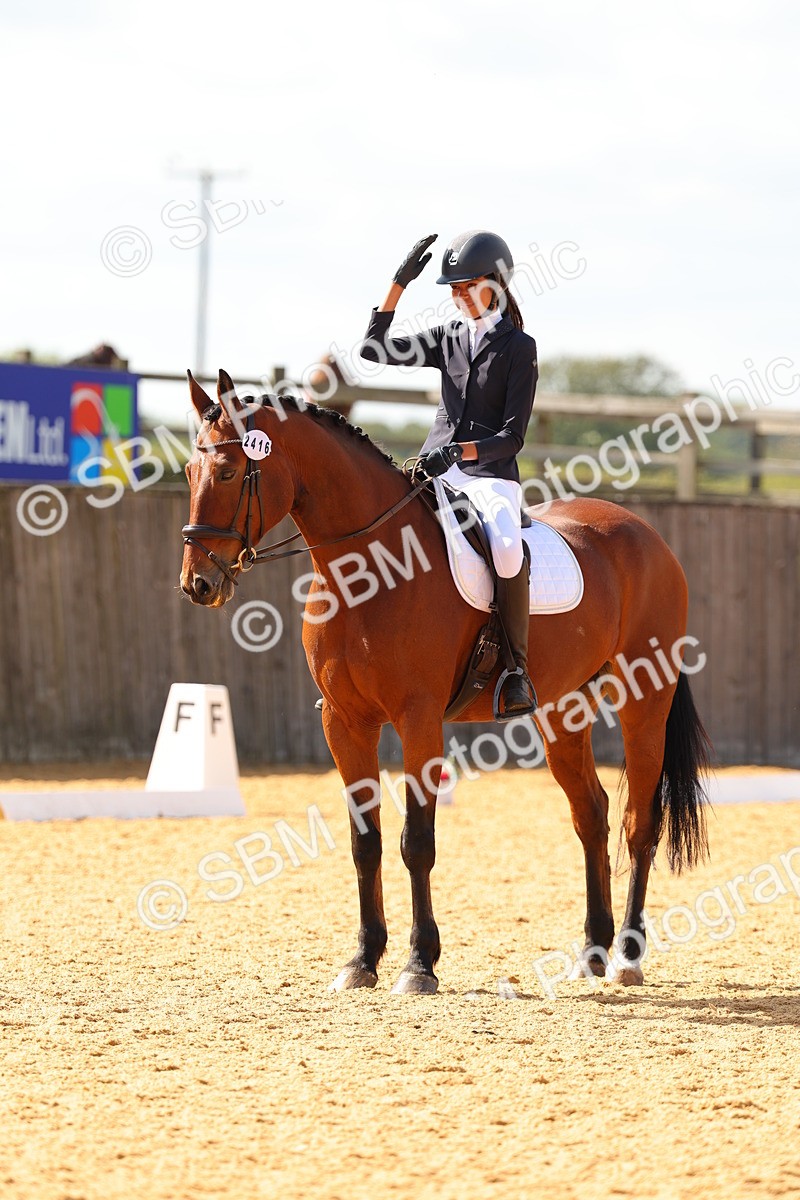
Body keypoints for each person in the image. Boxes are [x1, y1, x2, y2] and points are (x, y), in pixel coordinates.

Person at [360, 229, 538, 717]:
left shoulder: (519, 348)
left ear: (496, 285)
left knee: (504, 549)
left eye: (466, 286)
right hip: (434, 469)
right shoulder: (449, 338)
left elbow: (512, 436)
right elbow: (373, 350)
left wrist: (461, 452)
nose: (458, 297)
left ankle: (516, 671)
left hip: (489, 476)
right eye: (452, 289)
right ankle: (363, 656)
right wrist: (399, 284)